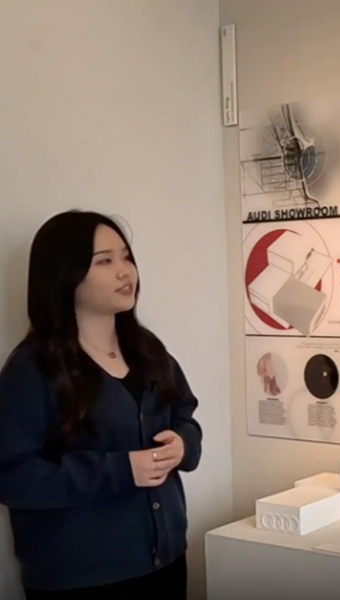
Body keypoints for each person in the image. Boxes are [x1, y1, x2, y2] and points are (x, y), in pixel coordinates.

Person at [0, 210, 202, 599]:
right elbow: (13, 475)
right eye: (105, 261)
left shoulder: (149, 351)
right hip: (83, 579)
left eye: (127, 257)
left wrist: (182, 445)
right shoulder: (32, 369)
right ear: (66, 275)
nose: (126, 272)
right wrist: (121, 469)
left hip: (167, 562)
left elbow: (185, 417)